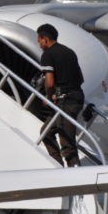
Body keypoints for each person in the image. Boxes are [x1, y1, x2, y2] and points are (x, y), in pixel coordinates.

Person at [37, 24, 84, 167]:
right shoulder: (70, 52)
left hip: (66, 101)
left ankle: (75, 178)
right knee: (46, 131)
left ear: (45, 39)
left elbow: (49, 82)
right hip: (75, 97)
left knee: (67, 142)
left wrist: (48, 96)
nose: (39, 44)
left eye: (39, 40)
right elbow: (81, 78)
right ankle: (58, 165)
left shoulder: (48, 55)